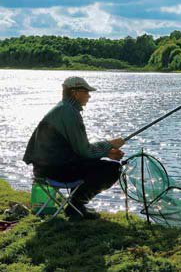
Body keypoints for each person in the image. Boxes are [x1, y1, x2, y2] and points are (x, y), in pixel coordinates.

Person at [23, 76, 126, 220]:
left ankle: (76, 205)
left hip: (45, 168)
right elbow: (84, 151)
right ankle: (76, 205)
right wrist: (109, 144)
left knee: (89, 164)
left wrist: (107, 153)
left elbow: (78, 149)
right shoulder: (69, 113)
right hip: (55, 170)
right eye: (86, 92)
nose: (89, 96)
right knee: (113, 169)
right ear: (75, 92)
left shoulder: (62, 109)